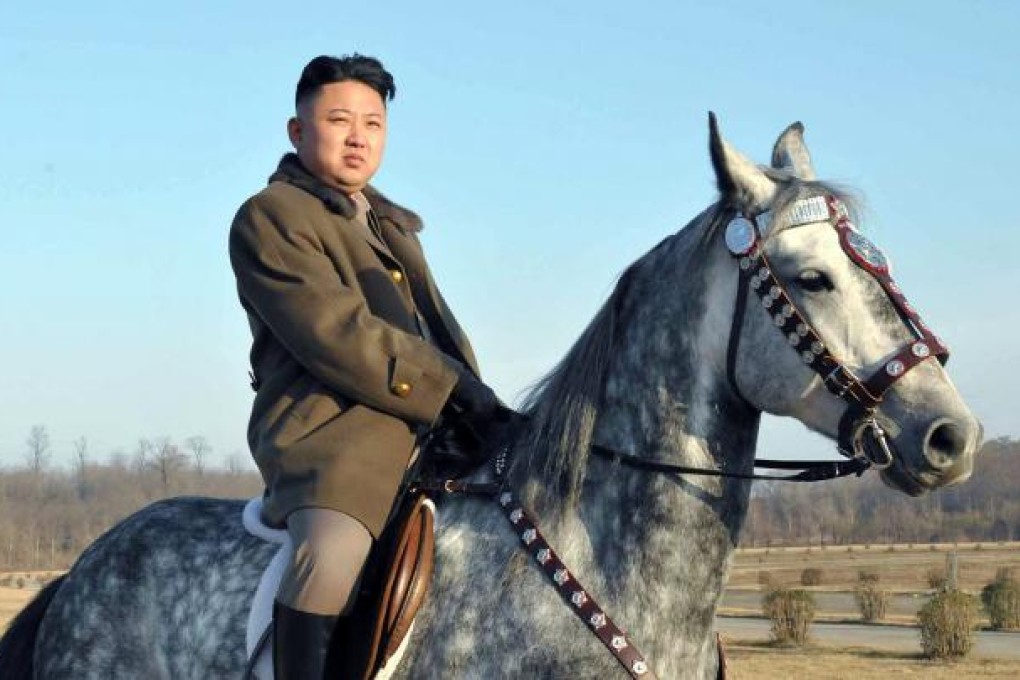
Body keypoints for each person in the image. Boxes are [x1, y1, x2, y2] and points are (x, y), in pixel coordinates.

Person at [228, 54, 501, 679]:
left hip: (431, 430)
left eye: (374, 124)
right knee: (331, 554)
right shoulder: (269, 217)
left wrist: (484, 404)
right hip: (333, 440)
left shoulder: (391, 226)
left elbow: (439, 332)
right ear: (298, 132)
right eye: (340, 119)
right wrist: (454, 390)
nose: (359, 137)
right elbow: (338, 335)